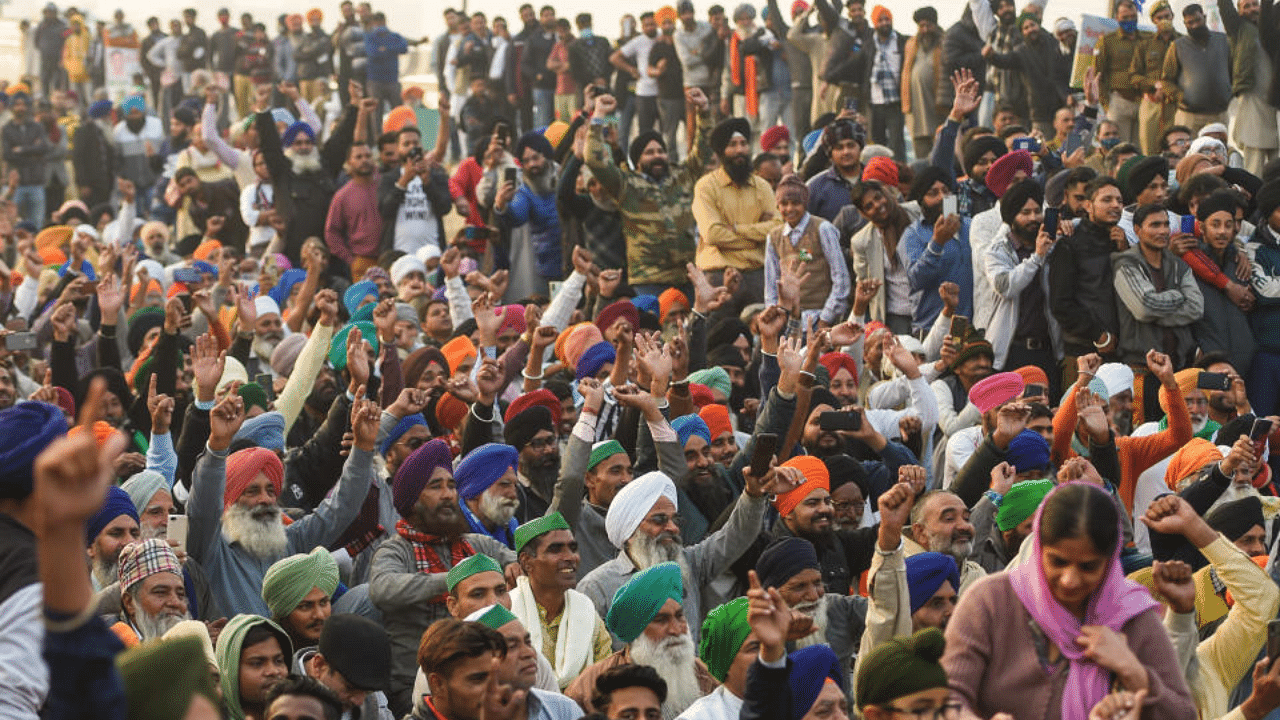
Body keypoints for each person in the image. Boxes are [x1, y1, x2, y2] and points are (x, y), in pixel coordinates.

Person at [942, 483, 1196, 720]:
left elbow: (1183, 714)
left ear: (1109, 563)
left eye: (1088, 567)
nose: (1069, 580)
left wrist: (1133, 671)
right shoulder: (991, 602)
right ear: (1038, 547)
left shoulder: (1131, 616)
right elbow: (945, 695)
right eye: (1058, 562)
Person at [368, 439, 517, 715]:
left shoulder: (476, 544)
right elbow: (382, 589)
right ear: (413, 499)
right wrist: (458, 579)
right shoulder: (396, 549)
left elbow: (517, 564)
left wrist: (513, 569)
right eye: (436, 486)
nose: (448, 494)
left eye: (451, 486)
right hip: (416, 684)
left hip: (485, 674)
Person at [585, 89, 713, 295]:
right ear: (637, 162)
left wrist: (704, 110)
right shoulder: (626, 184)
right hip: (648, 280)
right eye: (649, 152)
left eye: (661, 151)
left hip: (687, 277)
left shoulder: (682, 176)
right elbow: (594, 159)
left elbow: (704, 148)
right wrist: (598, 116)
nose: (657, 156)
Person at [567, 562, 718, 718]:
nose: (676, 629)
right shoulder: (588, 687)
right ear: (636, 633)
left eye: (679, 616)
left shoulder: (706, 677)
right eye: (661, 620)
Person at [509, 513, 613, 689]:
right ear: (527, 562)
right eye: (555, 550)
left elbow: (604, 677)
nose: (570, 557)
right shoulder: (507, 612)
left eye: (573, 548)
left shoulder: (587, 612)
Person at [692, 117, 778, 311]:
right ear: (722, 151)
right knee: (717, 336)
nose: (739, 150)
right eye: (732, 145)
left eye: (743, 144)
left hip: (757, 274)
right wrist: (756, 237)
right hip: (718, 275)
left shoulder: (762, 186)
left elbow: (777, 230)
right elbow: (712, 234)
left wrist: (736, 229)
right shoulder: (706, 187)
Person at [1112, 203, 1204, 367]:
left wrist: (1154, 317)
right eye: (1155, 225)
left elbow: (1196, 308)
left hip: (1181, 364)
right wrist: (1179, 296)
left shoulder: (1178, 264)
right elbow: (1144, 308)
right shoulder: (1126, 264)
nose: (1163, 231)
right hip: (1141, 367)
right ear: (1137, 230)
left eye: (1166, 224)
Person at [848, 179, 922, 332]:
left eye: (877, 197)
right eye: (869, 206)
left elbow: (949, 210)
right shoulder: (861, 241)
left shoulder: (916, 211)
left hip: (929, 308)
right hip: (896, 317)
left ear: (885, 192)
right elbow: (863, 281)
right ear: (863, 214)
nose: (877, 205)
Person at [295, 614, 395, 720]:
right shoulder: (280, 698)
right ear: (319, 665)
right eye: (350, 688)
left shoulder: (371, 689)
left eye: (367, 692)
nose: (359, 701)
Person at [1160, 4, 1232, 130]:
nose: (1195, 26)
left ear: (1204, 17)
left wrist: (1229, 92)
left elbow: (1233, 72)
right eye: (1190, 23)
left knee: (1218, 149)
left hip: (1219, 115)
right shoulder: (1177, 46)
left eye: (1198, 20)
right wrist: (1181, 96)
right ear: (1185, 24)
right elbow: (1166, 80)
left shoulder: (1224, 41)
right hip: (1190, 116)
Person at [261, 547, 339, 652]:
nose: (319, 615)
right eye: (305, 606)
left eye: (323, 602)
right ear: (283, 611)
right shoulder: (267, 656)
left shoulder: (342, 651)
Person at [1092, 0, 1147, 144]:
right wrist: (1107, 103)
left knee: (1142, 150)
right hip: (1119, 102)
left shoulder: (1147, 39)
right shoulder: (1107, 41)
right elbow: (1098, 74)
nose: (1129, 20)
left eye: (1133, 17)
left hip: (1144, 102)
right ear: (1117, 18)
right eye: (1125, 18)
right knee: (1120, 148)